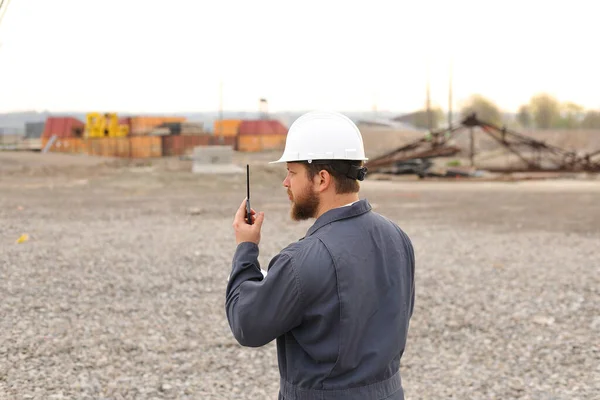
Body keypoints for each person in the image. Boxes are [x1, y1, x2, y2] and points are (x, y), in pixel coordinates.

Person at [226, 111, 415, 400]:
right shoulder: (397, 237)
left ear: (322, 178)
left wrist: (245, 249)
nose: (285, 183)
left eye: (292, 172)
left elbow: (247, 325)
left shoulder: (303, 259)